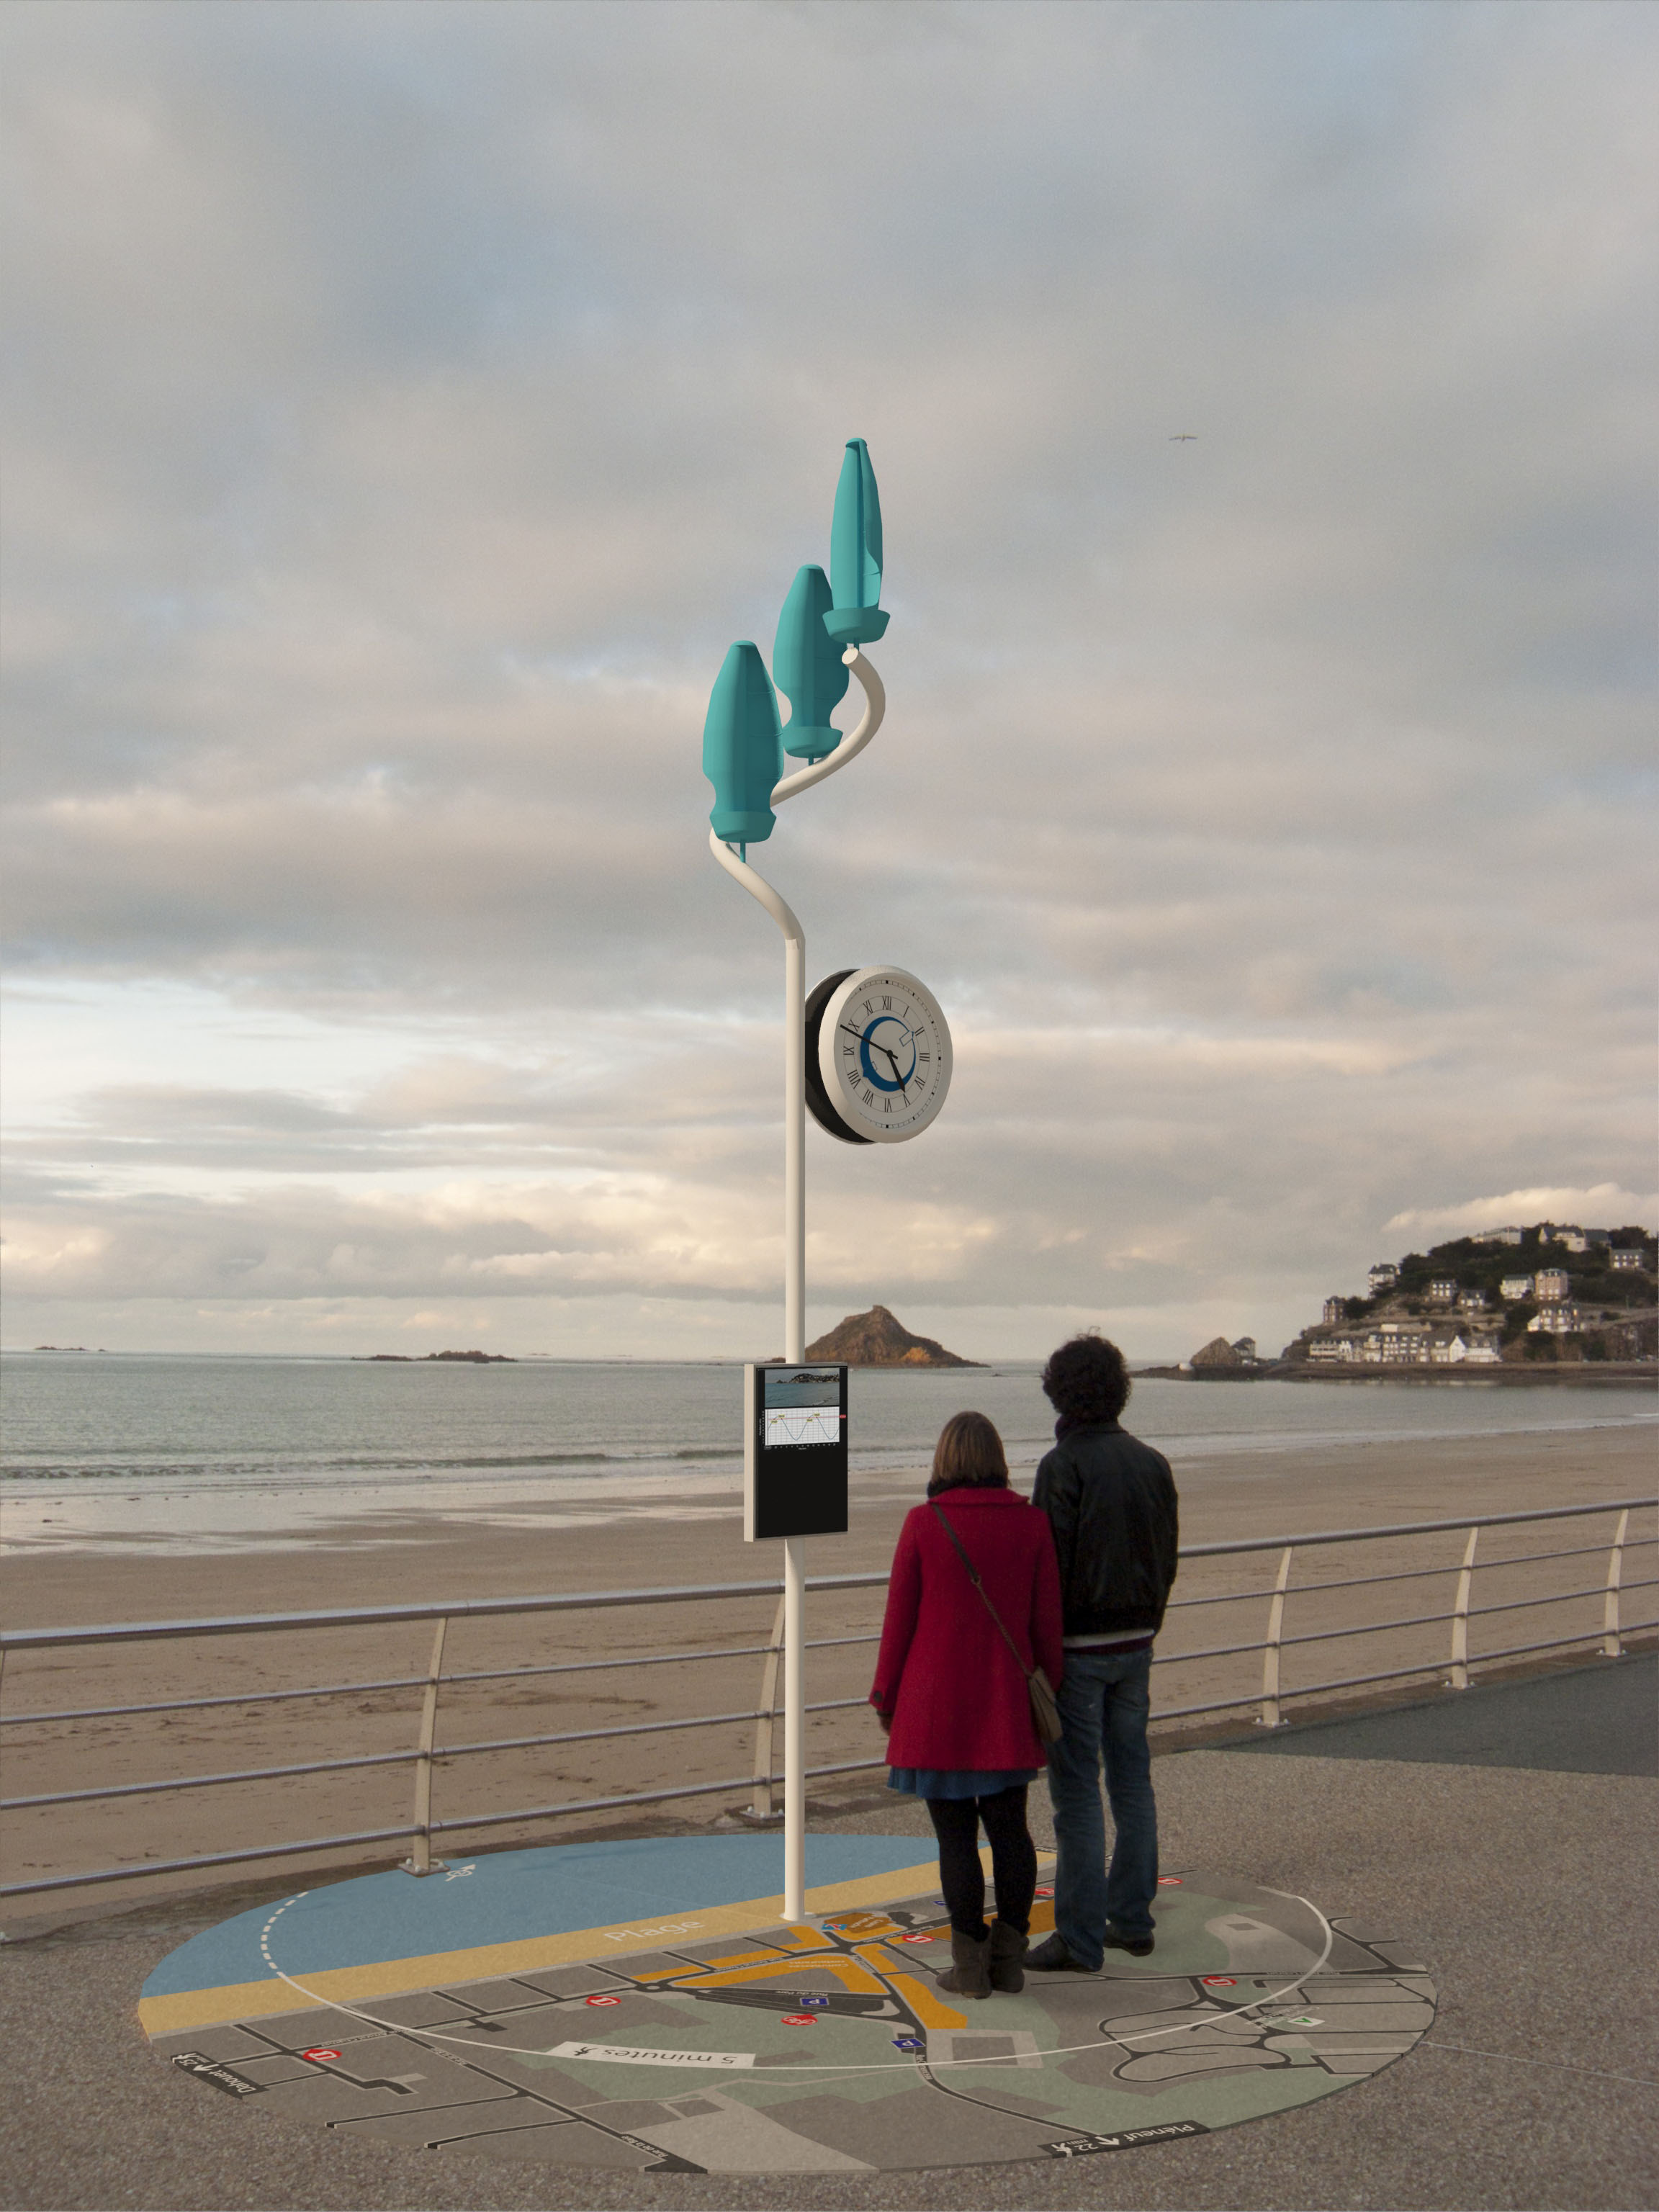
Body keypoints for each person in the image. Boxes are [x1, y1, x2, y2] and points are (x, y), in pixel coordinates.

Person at [869, 1411, 1064, 2000]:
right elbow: (1046, 1623)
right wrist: (1046, 1688)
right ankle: (1008, 1959)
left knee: (954, 1841)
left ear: (944, 1459)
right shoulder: (1032, 1524)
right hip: (1005, 1700)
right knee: (1012, 1834)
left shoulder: (924, 1524)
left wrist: (885, 1696)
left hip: (935, 1705)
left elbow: (898, 1622)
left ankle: (969, 1966)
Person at [1025, 1334, 1179, 1972]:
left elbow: (1046, 1572)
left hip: (1080, 1648)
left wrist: (1041, 1654)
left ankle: (1081, 1938)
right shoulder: (1150, 1461)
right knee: (1131, 1780)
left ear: (1060, 1392)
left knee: (1078, 1795)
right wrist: (1148, 1623)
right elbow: (1166, 1559)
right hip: (1136, 1641)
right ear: (1118, 1390)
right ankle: (1132, 1920)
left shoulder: (1062, 1467)